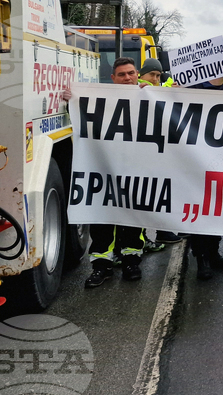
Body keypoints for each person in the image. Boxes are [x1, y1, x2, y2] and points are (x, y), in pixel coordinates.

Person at [84, 57, 148, 288]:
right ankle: (101, 266)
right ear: (113, 78)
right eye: (121, 74)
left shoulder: (149, 96)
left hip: (136, 168)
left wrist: (164, 94)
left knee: (134, 215)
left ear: (137, 74)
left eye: (131, 73)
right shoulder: (100, 99)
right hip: (105, 167)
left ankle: (131, 262)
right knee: (102, 217)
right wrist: (72, 99)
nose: (127, 78)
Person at [186, 49, 223, 279]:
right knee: (200, 208)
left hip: (222, 159)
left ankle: (214, 252)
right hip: (196, 157)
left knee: (216, 208)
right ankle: (202, 258)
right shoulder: (193, 86)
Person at [137, 59, 182, 249]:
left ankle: (161, 231)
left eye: (158, 75)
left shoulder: (161, 89)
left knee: (160, 193)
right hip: (144, 152)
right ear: (142, 74)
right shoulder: (138, 89)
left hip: (159, 150)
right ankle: (144, 236)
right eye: (152, 75)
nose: (155, 79)